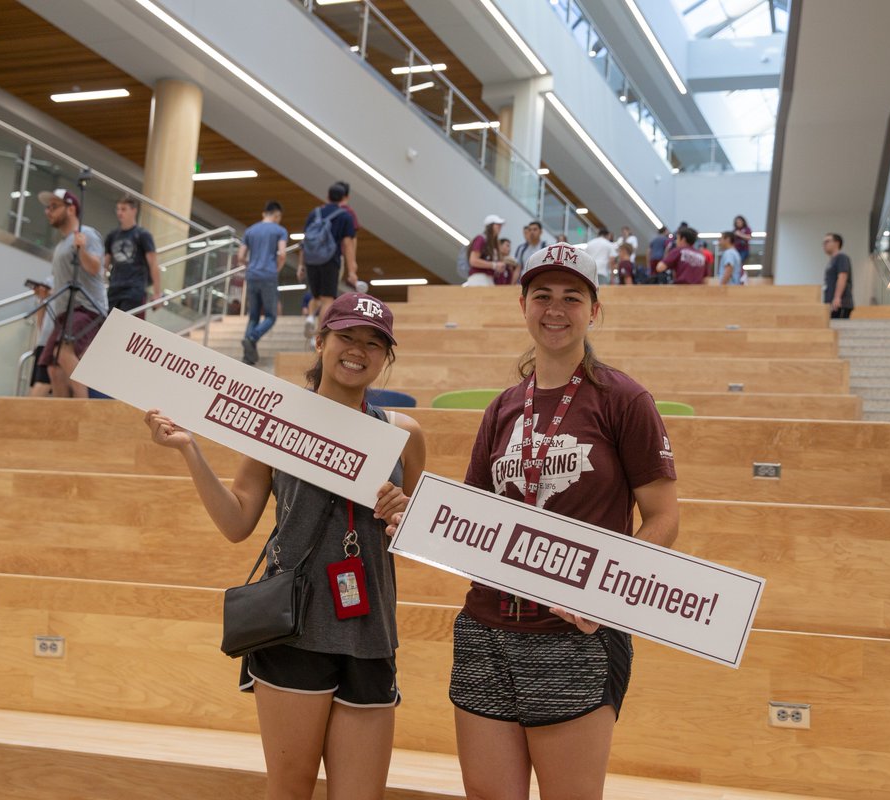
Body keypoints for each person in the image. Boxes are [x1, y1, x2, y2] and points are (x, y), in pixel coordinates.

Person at [419, 243, 678, 800]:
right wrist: (416, 522)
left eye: (571, 297)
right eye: (542, 296)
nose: (555, 309)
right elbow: (474, 518)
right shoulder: (502, 408)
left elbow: (663, 519)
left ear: (594, 310)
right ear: (522, 306)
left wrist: (605, 596)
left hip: (575, 636)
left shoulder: (625, 400)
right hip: (486, 627)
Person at [145, 291, 426, 800]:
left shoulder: (404, 434)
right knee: (290, 790)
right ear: (320, 341)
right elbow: (237, 522)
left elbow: (411, 536)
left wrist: (403, 516)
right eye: (346, 336)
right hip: (293, 632)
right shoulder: (276, 422)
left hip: (371, 634)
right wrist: (190, 450)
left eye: (373, 342)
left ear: (386, 357)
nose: (357, 350)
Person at [36, 187, 106, 398]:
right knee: (54, 369)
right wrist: (47, 294)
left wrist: (82, 249)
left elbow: (95, 268)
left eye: (54, 206)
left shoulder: (87, 235)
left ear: (71, 209)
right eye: (47, 207)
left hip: (87, 308)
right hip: (64, 313)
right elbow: (62, 282)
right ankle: (65, 421)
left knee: (64, 355)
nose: (48, 211)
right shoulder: (60, 247)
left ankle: (82, 413)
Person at [300, 182, 359, 338]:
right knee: (327, 299)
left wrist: (301, 264)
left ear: (327, 196)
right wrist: (352, 270)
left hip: (311, 260)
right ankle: (320, 336)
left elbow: (304, 241)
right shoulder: (345, 216)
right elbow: (347, 244)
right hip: (330, 260)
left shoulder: (315, 213)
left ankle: (311, 317)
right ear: (344, 198)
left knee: (315, 296)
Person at [238, 201, 288, 365]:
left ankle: (248, 355)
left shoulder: (250, 230)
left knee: (253, 316)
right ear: (277, 215)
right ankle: (252, 338)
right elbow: (282, 254)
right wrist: (276, 270)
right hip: (268, 275)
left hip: (252, 275)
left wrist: (250, 266)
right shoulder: (280, 231)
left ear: (263, 213)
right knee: (271, 316)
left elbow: (240, 256)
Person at [103, 195, 160, 321]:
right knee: (107, 327)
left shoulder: (143, 235)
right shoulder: (112, 236)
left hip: (134, 290)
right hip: (114, 288)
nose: (119, 212)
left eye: (123, 209)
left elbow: (153, 264)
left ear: (134, 210)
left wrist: (157, 293)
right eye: (118, 209)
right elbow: (105, 264)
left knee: (125, 328)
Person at [25, 276, 54, 397]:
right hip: (52, 339)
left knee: (45, 383)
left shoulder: (52, 280)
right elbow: (41, 309)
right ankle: (22, 415)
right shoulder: (51, 281)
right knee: (43, 382)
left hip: (50, 338)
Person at [464, 214, 506, 287]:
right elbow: (473, 261)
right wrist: (494, 265)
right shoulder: (481, 239)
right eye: (497, 224)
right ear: (490, 226)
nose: (500, 227)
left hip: (489, 279)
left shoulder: (494, 243)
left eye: (500, 225)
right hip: (479, 278)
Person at [822, 232, 853, 319]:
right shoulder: (832, 261)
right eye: (823, 242)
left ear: (837, 243)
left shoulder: (841, 258)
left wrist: (837, 297)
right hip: (831, 303)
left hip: (839, 303)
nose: (824, 245)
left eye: (827, 241)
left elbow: (842, 277)